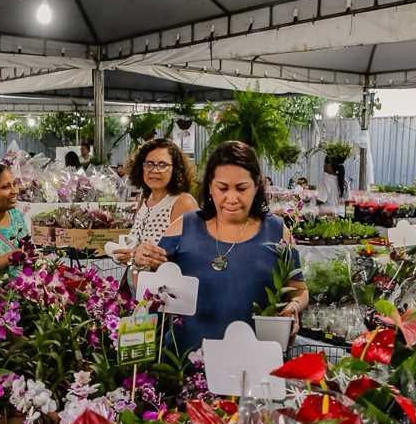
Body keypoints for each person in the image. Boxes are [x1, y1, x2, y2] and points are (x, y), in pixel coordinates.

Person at [155, 141, 309, 353]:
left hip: (254, 363)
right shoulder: (183, 226)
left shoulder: (277, 231)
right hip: (186, 364)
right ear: (210, 186)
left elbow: (299, 290)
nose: (232, 198)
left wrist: (294, 307)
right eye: (222, 188)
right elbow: (150, 286)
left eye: (241, 188)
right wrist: (140, 261)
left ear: (257, 185)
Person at [117, 139, 197, 268]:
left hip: (165, 286)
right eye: (149, 164)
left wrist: (141, 257)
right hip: (136, 286)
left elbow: (194, 256)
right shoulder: (144, 201)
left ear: (175, 169)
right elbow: (136, 249)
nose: (154, 170)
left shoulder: (183, 202)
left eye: (162, 165)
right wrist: (127, 255)